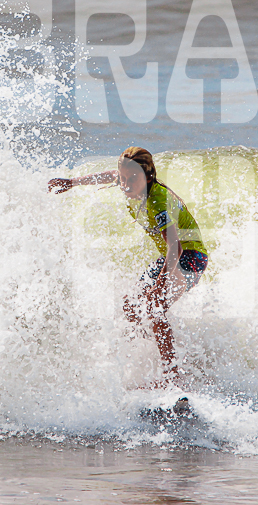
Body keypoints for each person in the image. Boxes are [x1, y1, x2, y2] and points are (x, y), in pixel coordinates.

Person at [48, 146, 208, 385]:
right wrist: (71, 183)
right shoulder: (129, 180)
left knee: (156, 306)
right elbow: (108, 175)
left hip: (191, 257)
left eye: (131, 179)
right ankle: (153, 356)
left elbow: (176, 248)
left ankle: (173, 378)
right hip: (170, 257)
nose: (124, 184)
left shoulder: (158, 202)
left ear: (148, 177)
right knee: (131, 305)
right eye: (122, 178)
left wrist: (159, 285)